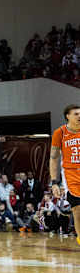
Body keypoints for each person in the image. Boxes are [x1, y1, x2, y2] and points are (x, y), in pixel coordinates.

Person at [49, 104, 80, 246]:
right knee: (77, 208)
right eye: (76, 114)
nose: (79, 116)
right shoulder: (59, 133)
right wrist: (54, 182)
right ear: (67, 116)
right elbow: (54, 158)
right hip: (70, 175)